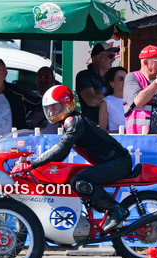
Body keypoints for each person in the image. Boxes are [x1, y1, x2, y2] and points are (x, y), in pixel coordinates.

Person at [11, 85, 131, 232]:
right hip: (112, 161)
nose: (51, 112)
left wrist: (32, 164)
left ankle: (116, 210)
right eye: (49, 108)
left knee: (79, 181)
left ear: (66, 104)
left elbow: (62, 148)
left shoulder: (75, 122)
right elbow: (61, 152)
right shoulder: (71, 121)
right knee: (73, 179)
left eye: (55, 107)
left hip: (118, 162)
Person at [75, 42, 117, 125]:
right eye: (111, 56)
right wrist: (113, 94)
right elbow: (92, 101)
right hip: (92, 128)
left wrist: (102, 91)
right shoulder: (83, 76)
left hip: (113, 127)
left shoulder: (114, 75)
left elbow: (123, 97)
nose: (114, 59)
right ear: (99, 57)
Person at [99, 66, 127, 133]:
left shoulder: (135, 99)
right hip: (117, 141)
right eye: (121, 79)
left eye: (127, 79)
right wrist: (123, 132)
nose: (125, 81)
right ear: (112, 83)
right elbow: (102, 132)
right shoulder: (107, 102)